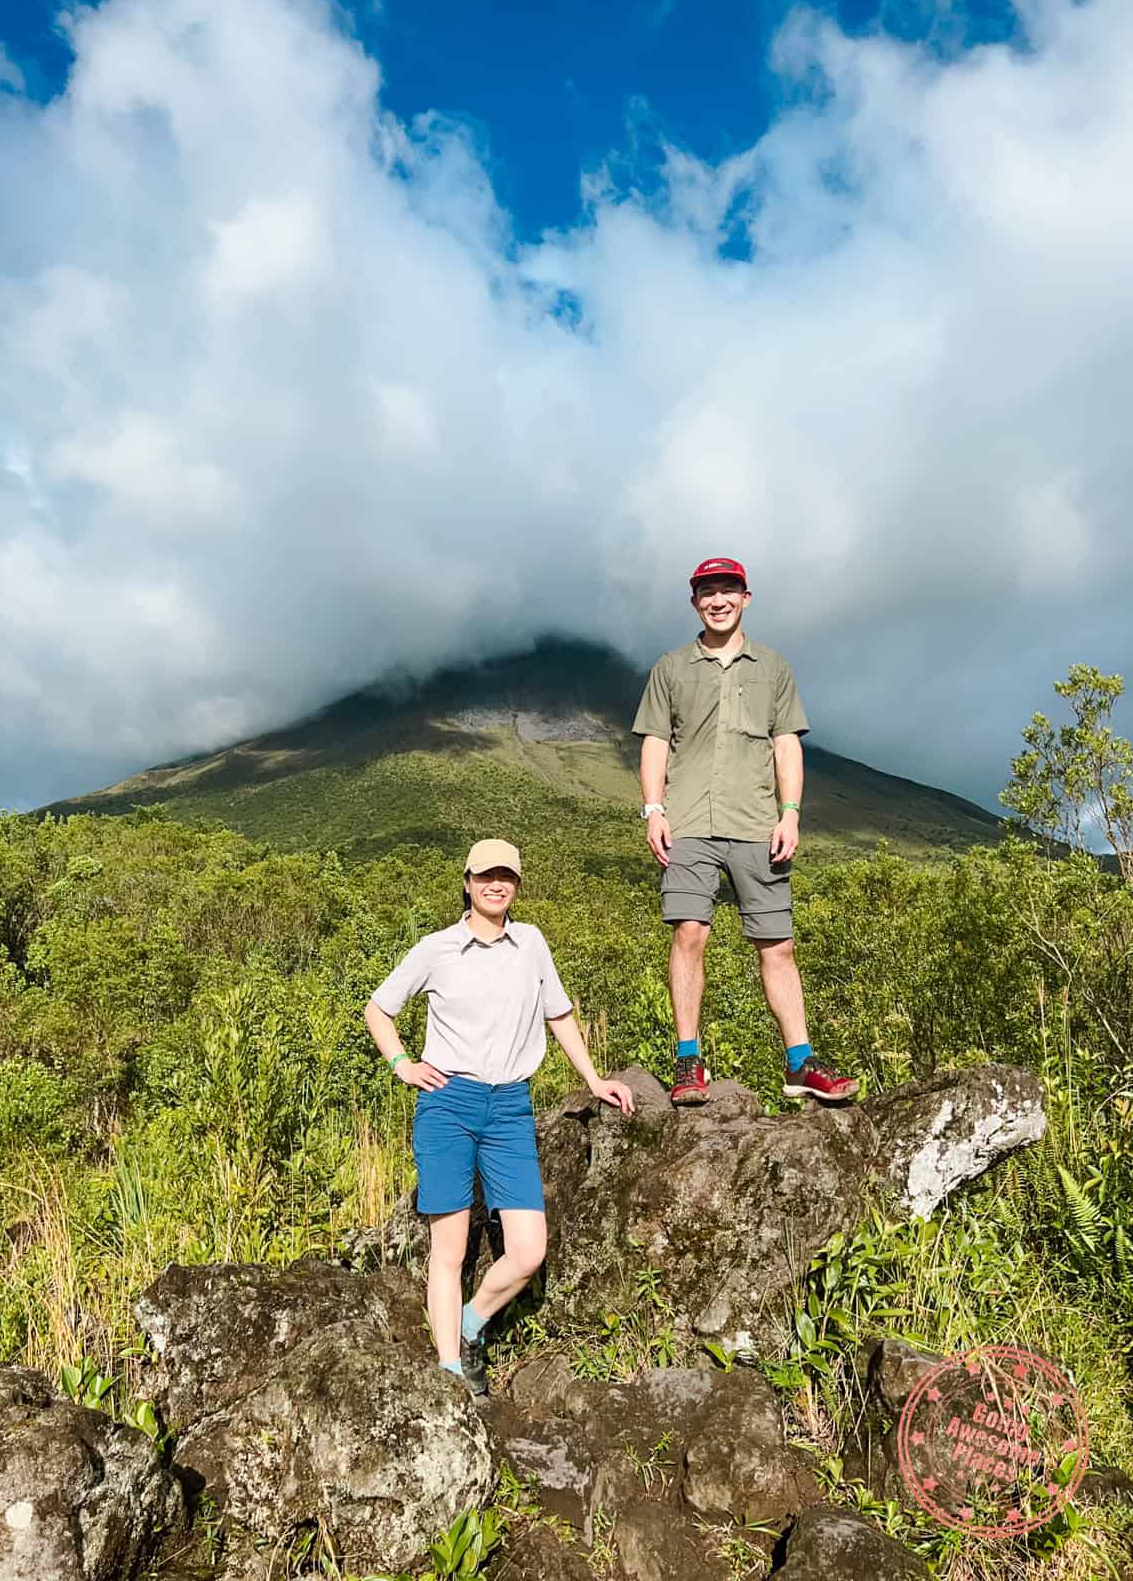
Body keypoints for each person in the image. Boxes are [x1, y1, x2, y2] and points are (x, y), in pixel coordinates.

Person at [364, 839, 635, 1396]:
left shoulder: (530, 943)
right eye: (486, 875)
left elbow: (558, 1012)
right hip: (448, 1103)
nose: (496, 884)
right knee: (450, 1249)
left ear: (515, 884)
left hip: (510, 1106)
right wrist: (402, 1064)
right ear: (466, 882)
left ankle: (469, 1325)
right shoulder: (438, 948)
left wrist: (593, 1079)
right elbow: (379, 1008)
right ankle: (449, 1372)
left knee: (530, 1249)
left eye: (506, 876)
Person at [632, 556, 859, 1108]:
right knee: (689, 932)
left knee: (777, 944)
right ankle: (689, 1061)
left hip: (758, 824)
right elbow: (655, 743)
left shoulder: (774, 668)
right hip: (687, 822)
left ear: (746, 598)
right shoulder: (670, 669)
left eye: (728, 590)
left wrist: (790, 812)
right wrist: (654, 810)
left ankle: (802, 1063)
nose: (718, 600)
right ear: (694, 602)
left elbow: (786, 743)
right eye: (707, 592)